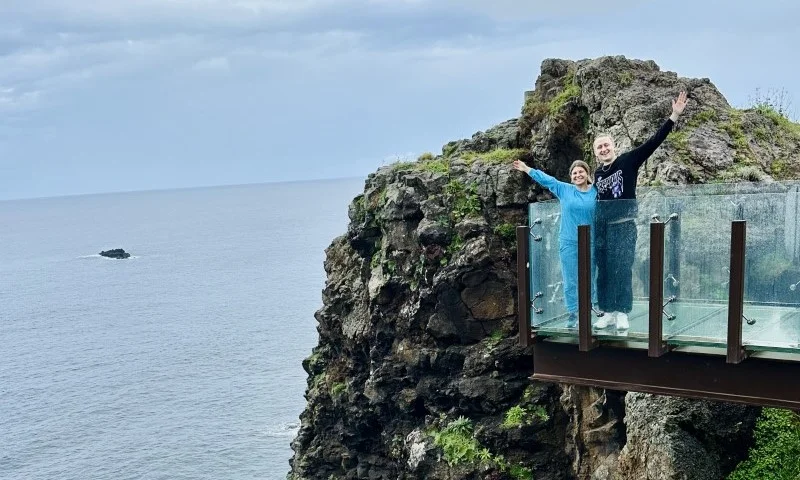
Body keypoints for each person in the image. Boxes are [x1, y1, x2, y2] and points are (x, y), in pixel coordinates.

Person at [592, 91, 688, 330]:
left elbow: (652, 143)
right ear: (595, 153)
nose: (603, 149)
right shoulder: (597, 174)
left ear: (613, 147)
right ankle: (607, 311)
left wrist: (674, 116)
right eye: (599, 147)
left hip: (624, 225)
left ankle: (623, 311)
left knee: (622, 269)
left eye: (606, 145)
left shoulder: (627, 161)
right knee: (603, 270)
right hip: (603, 228)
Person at [512, 159, 597, 328]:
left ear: (587, 174)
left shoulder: (596, 191)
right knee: (571, 278)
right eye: (574, 173)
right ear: (571, 178)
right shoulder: (565, 190)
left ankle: (591, 310)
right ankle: (574, 313)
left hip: (592, 241)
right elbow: (548, 180)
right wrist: (527, 169)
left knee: (591, 277)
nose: (578, 175)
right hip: (569, 242)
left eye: (581, 171)